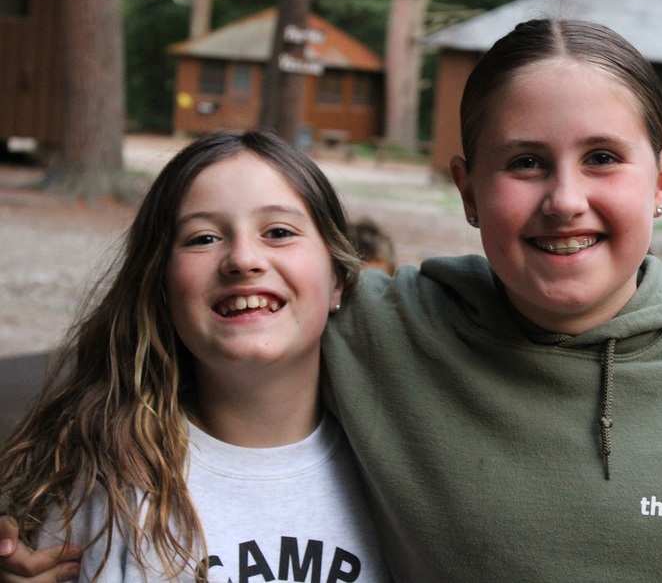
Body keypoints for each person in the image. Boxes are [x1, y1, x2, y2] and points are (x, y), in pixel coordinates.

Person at [0, 22, 662, 581]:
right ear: (467, 187)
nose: (564, 198)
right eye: (525, 162)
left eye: (603, 157)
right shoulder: (388, 326)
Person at [0, 131, 390, 581]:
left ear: (337, 279)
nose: (243, 259)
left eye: (279, 232)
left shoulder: (397, 471)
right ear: (161, 286)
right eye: (203, 238)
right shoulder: (105, 486)